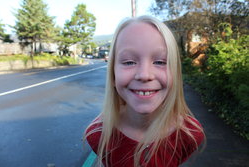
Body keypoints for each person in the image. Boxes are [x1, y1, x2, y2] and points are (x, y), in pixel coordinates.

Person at [84, 15, 205, 167]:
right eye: (129, 62)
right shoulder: (99, 134)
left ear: (175, 73)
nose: (144, 75)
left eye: (160, 62)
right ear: (113, 75)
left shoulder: (189, 134)